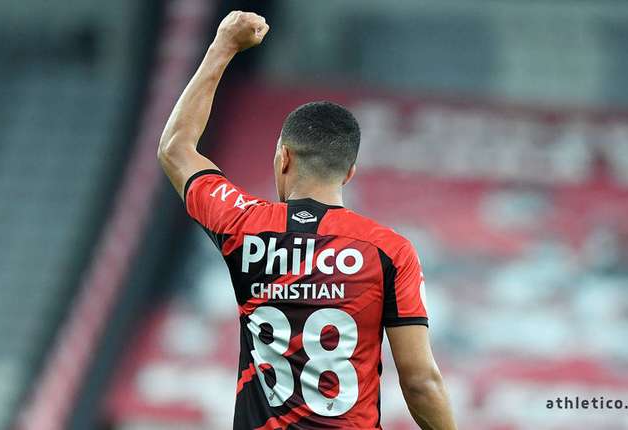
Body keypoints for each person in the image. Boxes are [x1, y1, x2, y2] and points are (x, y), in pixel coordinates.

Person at [158, 10, 458, 430]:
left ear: (283, 157)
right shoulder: (389, 251)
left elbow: (175, 148)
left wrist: (223, 45)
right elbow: (421, 382)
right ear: (349, 172)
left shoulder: (244, 225)